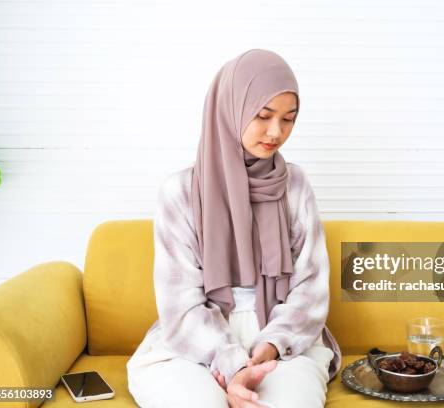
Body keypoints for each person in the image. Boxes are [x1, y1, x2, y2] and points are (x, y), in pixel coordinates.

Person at [126, 48, 342, 408]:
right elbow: (181, 304)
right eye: (263, 115)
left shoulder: (296, 186)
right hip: (197, 340)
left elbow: (310, 288)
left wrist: (270, 346)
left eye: (289, 119)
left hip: (283, 336)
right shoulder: (180, 192)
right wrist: (230, 361)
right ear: (230, 108)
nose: (276, 132)